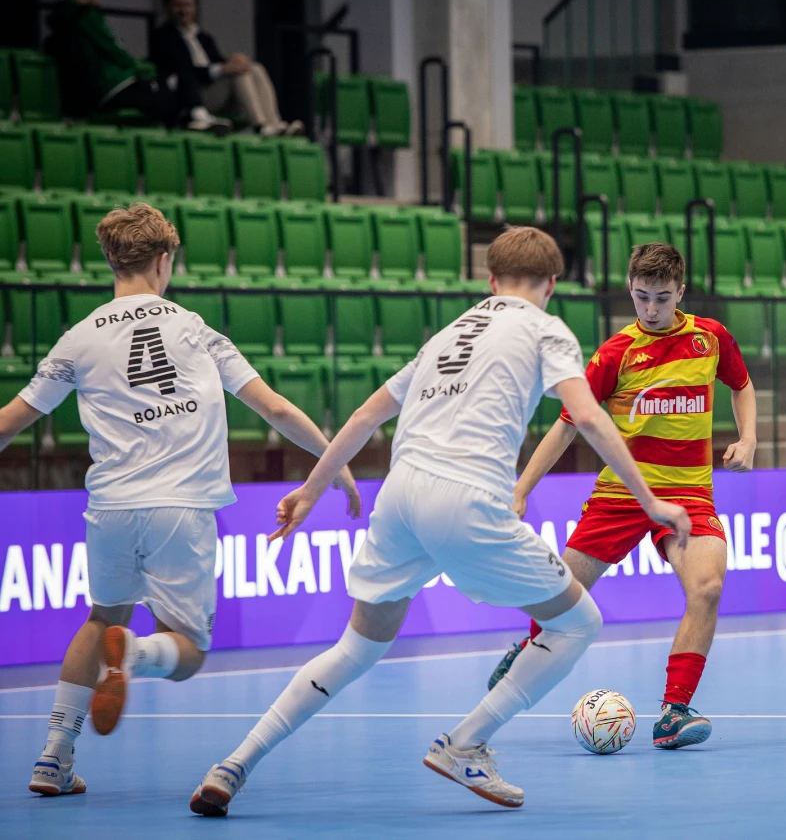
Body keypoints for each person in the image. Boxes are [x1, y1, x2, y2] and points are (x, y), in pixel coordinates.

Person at [189, 227, 691, 816]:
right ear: (552, 284)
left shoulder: (447, 335)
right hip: (466, 499)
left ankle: (234, 764)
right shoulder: (546, 328)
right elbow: (587, 416)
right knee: (579, 622)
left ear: (491, 280)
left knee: (355, 648)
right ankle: (465, 743)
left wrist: (310, 490)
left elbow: (366, 415)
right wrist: (651, 502)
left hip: (400, 497)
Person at [0, 203, 359, 797]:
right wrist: (334, 465)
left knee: (101, 617)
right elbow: (273, 407)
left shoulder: (77, 338)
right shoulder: (196, 330)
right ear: (164, 260)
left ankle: (53, 756)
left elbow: (10, 422)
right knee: (187, 652)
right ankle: (134, 654)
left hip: (111, 508)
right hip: (181, 508)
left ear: (110, 260)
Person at [491, 242, 757, 749]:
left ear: (681, 291)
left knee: (707, 587)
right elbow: (567, 425)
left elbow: (741, 384)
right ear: (630, 292)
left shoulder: (710, 338)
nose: (651, 310)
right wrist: (521, 490)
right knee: (562, 598)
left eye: (662, 298)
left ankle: (674, 712)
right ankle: (528, 645)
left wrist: (748, 439)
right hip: (621, 494)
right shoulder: (616, 353)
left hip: (688, 496)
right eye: (641, 297)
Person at [46, 0, 228, 133]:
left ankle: (193, 122)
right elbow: (114, 50)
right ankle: (192, 124)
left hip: (89, 93)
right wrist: (137, 67)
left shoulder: (61, 19)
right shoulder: (87, 16)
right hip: (112, 87)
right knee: (166, 92)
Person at [152, 0, 302, 137]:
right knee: (238, 74)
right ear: (167, 6)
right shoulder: (162, 37)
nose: (184, 10)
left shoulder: (204, 38)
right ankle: (260, 125)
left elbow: (216, 62)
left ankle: (275, 123)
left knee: (254, 67)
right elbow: (184, 71)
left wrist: (233, 61)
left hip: (217, 92)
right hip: (191, 98)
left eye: (188, 5)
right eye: (178, 5)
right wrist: (223, 69)